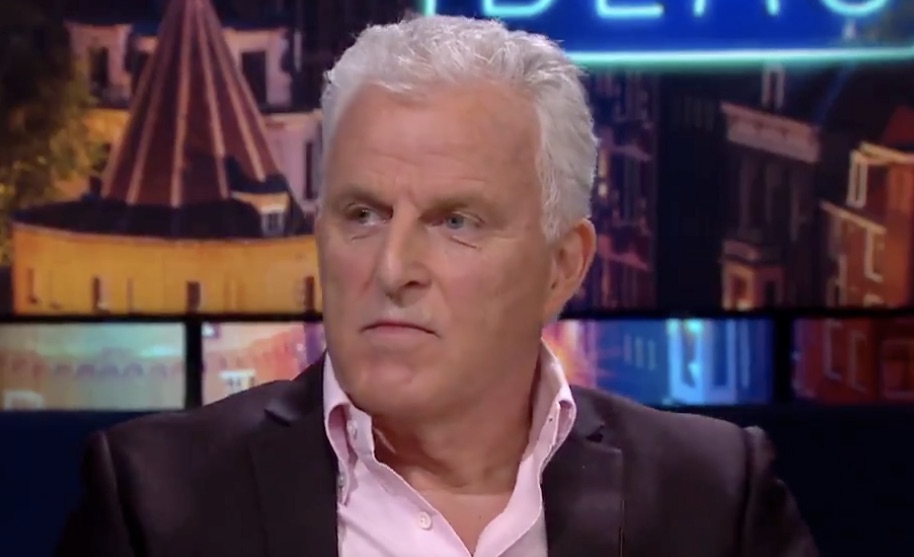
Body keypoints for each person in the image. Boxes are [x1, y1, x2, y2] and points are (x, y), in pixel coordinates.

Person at [57, 14, 818, 557]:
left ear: (562, 266)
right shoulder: (158, 499)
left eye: (457, 221)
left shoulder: (711, 495)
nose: (392, 269)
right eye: (362, 214)